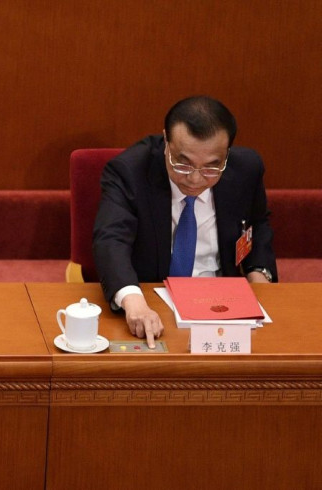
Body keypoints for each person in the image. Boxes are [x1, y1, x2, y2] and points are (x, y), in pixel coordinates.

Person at [92, 96, 276, 347]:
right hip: (152, 300)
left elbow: (258, 223)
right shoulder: (130, 171)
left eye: (212, 167)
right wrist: (133, 301)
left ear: (227, 154)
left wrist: (259, 274)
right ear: (166, 140)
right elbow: (111, 238)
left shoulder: (247, 169)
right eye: (183, 164)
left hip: (222, 305)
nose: (195, 179)